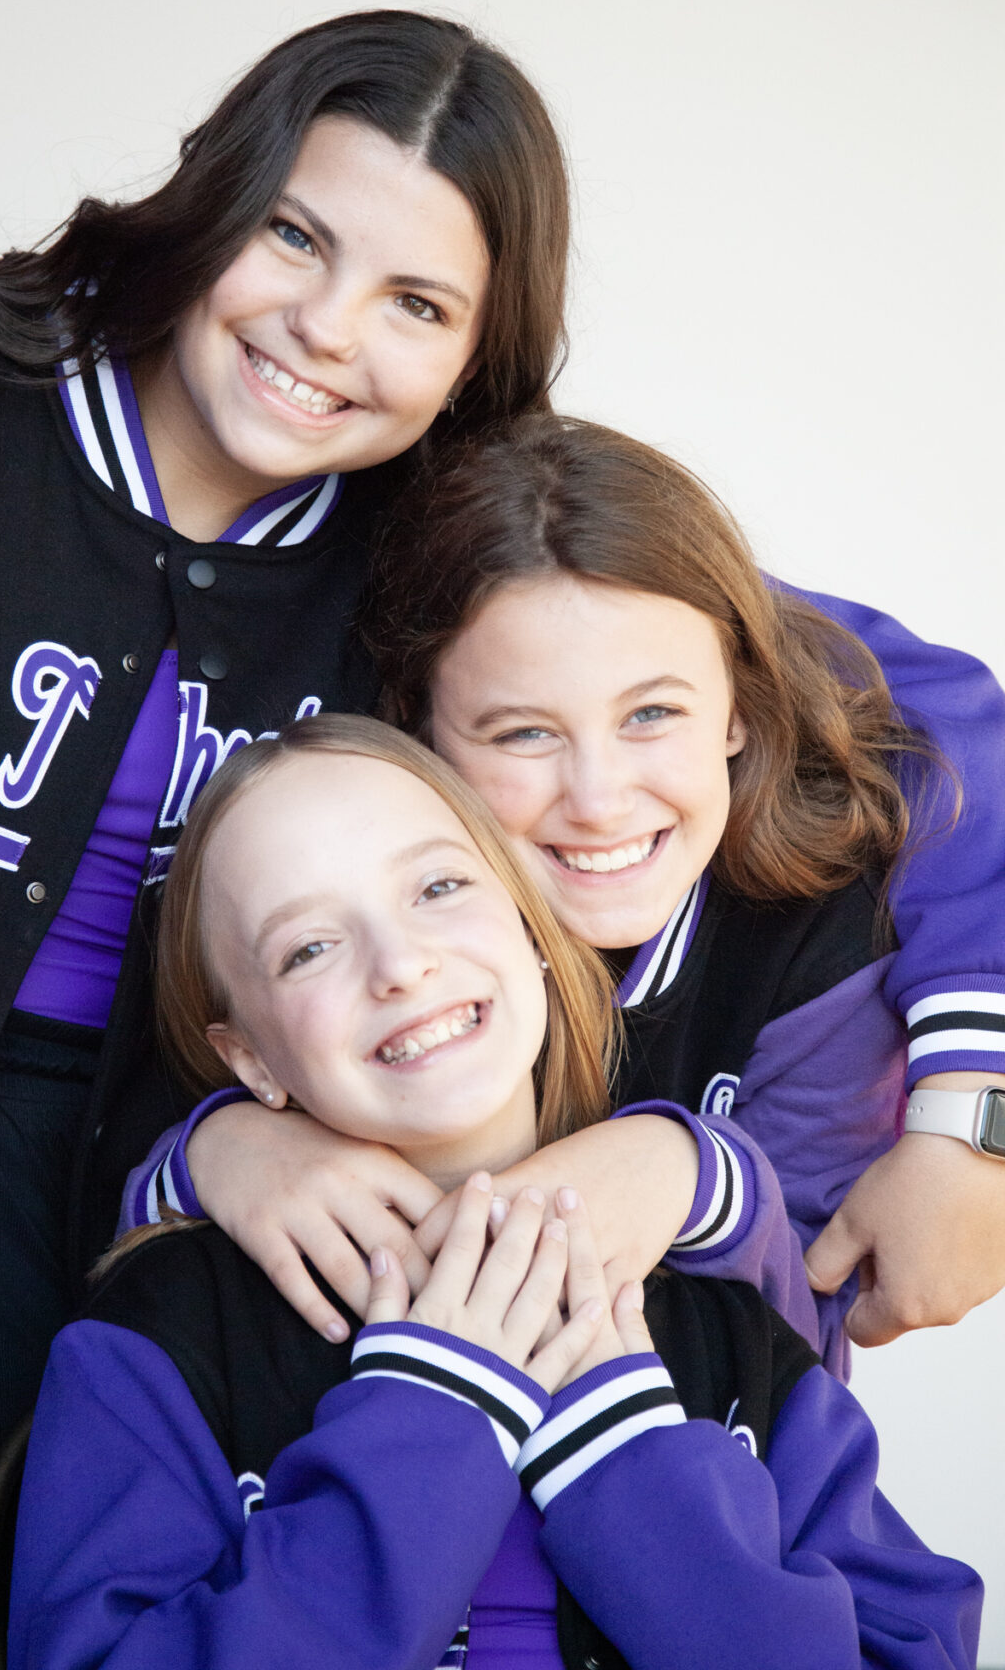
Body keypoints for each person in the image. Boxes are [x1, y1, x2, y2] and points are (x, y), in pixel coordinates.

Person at [0, 10, 573, 1670]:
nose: (326, 332)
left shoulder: (436, 559)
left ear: (478, 359)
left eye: (416, 304)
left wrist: (971, 1107)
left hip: (158, 1260)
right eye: (299, 237)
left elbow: (846, 700)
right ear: (217, 199)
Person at [11, 716, 981, 1670]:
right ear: (249, 1059)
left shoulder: (722, 1319)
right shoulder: (162, 1337)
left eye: (436, 888)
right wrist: (432, 1416)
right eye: (306, 948)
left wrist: (622, 1455)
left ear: (532, 930)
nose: (399, 965)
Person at [123, 416, 1005, 1374]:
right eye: (522, 735)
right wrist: (214, 1155)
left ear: (740, 708)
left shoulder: (825, 960)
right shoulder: (357, 915)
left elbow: (794, 1365)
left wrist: (707, 1176)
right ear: (419, 733)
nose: (597, 801)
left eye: (653, 714)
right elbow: (128, 1238)